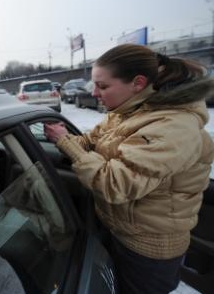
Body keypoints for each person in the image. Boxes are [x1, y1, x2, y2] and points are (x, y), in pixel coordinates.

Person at [44, 44, 214, 294]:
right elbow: (90, 143)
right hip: (120, 232)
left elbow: (115, 184)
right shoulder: (125, 112)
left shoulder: (172, 126)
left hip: (148, 252)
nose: (95, 93)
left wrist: (65, 142)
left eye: (103, 86)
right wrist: (63, 137)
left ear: (138, 83)